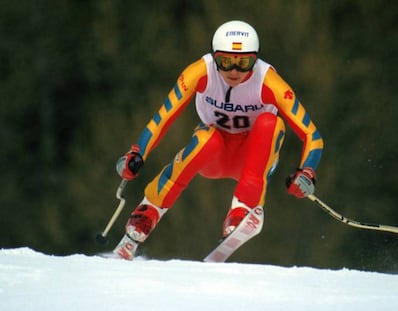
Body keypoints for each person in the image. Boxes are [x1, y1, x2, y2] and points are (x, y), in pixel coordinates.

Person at [113, 20, 324, 260]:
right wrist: (137, 152)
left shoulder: (269, 81)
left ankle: (242, 209)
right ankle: (148, 211)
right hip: (215, 155)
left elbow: (312, 135)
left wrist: (307, 172)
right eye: (225, 61)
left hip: (253, 159)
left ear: (255, 61)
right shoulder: (199, 72)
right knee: (207, 138)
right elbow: (163, 118)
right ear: (215, 58)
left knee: (271, 123)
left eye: (244, 63)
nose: (234, 71)